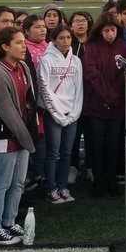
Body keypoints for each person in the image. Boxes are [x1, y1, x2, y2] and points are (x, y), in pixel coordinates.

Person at [0, 27, 38, 245]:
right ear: (5, 46)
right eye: (19, 43)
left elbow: (30, 101)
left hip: (22, 134)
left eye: (24, 42)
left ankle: (9, 221)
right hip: (3, 135)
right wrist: (27, 138)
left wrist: (28, 134)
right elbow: (5, 110)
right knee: (1, 183)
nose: (24, 46)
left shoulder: (22, 66)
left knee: (17, 183)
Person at [81, 14, 126, 197]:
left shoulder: (123, 48)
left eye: (113, 30)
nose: (110, 34)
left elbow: (123, 74)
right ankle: (98, 181)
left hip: (116, 107)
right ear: (100, 31)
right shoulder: (92, 48)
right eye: (106, 30)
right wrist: (107, 96)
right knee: (97, 144)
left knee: (113, 144)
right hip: (96, 105)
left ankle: (111, 180)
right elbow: (92, 74)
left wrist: (114, 97)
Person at [37, 25, 83, 205]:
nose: (65, 41)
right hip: (53, 114)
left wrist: (74, 112)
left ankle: (63, 186)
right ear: (54, 40)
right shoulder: (46, 61)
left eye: (68, 38)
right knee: (53, 152)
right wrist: (57, 113)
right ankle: (51, 188)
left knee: (66, 152)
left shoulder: (76, 61)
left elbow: (79, 88)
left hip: (71, 113)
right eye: (61, 38)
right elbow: (44, 89)